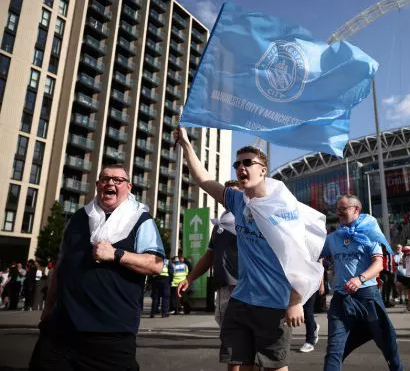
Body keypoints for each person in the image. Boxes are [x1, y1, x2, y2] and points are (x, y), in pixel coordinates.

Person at [175, 127, 322, 371]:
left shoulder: (283, 209)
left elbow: (301, 258)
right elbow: (203, 179)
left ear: (263, 170)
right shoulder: (237, 201)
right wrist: (187, 145)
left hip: (274, 304)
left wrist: (295, 301)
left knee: (275, 367)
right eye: (237, 164)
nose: (241, 167)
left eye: (248, 163)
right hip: (241, 301)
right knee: (237, 365)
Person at [29, 164, 165, 371]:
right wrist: (47, 310)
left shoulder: (140, 220)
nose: (110, 183)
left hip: (110, 334)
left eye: (117, 180)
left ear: (128, 187)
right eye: (105, 179)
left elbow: (156, 265)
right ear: (97, 185)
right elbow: (61, 266)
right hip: (61, 330)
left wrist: (117, 254)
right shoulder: (78, 218)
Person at [320, 194, 402, 371]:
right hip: (341, 299)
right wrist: (318, 278)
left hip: (367, 297)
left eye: (343, 209)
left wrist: (360, 279)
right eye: (337, 210)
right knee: (334, 350)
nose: (338, 213)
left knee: (388, 344)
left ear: (356, 209)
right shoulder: (332, 238)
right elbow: (317, 257)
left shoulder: (370, 234)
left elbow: (379, 264)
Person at [178, 180, 240, 326]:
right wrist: (189, 279)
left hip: (246, 288)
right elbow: (209, 256)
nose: (228, 197)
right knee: (228, 334)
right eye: (226, 193)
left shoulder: (250, 219)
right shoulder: (220, 225)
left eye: (234, 194)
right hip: (224, 288)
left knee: (243, 337)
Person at [395, 246, 410, 312]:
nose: (404, 253)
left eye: (405, 252)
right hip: (406, 276)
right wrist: (404, 258)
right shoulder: (406, 256)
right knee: (406, 290)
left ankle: (409, 307)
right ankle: (408, 305)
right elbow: (404, 266)